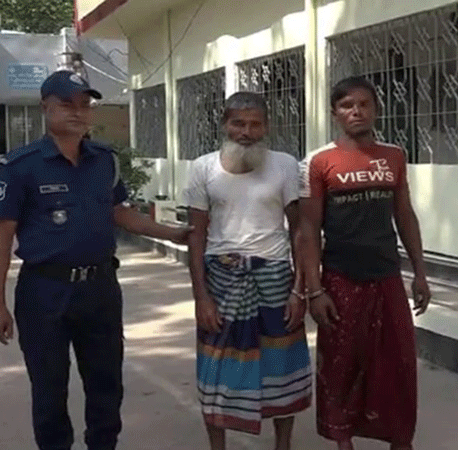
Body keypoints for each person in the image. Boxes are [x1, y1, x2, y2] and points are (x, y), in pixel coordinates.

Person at [0, 70, 190, 450]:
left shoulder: (104, 161)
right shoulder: (20, 166)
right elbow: (1, 239)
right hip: (44, 291)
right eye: (67, 104)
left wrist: (173, 234)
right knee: (49, 389)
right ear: (45, 108)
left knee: (106, 385)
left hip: (99, 289)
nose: (78, 112)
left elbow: (119, 213)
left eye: (85, 105)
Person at [298, 76, 432, 450]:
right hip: (341, 279)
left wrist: (420, 273)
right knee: (341, 364)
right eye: (347, 105)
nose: (356, 111)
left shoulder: (394, 156)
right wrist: (314, 290)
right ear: (334, 113)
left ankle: (400, 440)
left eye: (364, 104)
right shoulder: (318, 162)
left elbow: (404, 215)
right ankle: (344, 441)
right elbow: (308, 230)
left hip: (387, 276)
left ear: (376, 109)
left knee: (398, 365)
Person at [184, 92, 312, 450]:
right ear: (225, 124)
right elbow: (196, 235)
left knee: (282, 364)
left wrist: (299, 290)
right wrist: (201, 297)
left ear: (266, 127)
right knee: (216, 367)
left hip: (275, 278)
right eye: (238, 123)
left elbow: (299, 230)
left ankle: (283, 445)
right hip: (222, 280)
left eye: (255, 124)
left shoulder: (285, 165)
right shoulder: (203, 168)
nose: (246, 132)